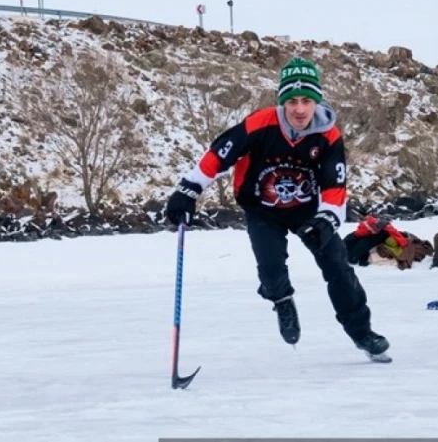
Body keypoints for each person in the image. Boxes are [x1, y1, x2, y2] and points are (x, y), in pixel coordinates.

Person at [164, 57, 391, 362]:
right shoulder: (261, 124)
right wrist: (189, 189)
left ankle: (363, 333)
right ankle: (282, 300)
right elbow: (220, 154)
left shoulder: (329, 136)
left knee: (337, 266)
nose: (299, 109)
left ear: (316, 101)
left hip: (309, 211)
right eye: (292, 101)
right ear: (282, 101)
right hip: (262, 210)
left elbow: (335, 184)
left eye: (307, 101)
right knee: (270, 270)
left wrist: (327, 219)